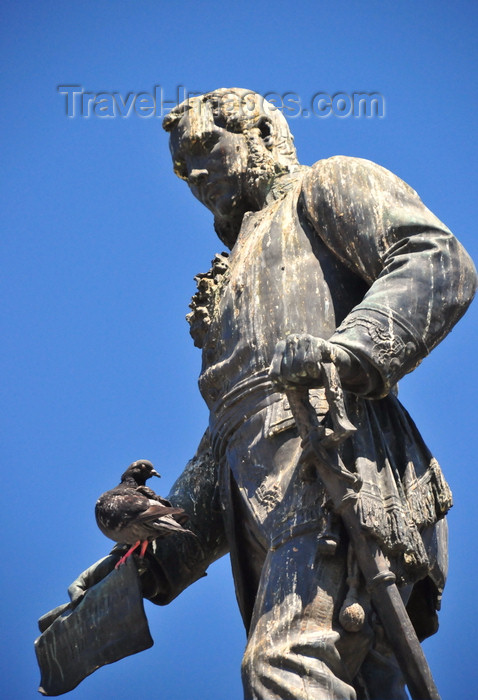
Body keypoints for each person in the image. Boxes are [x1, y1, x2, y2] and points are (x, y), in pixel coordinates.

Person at [66, 89, 476, 699]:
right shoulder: (231, 277)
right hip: (264, 510)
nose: (196, 173)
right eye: (183, 167)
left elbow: (436, 260)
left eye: (208, 146)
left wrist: (347, 350)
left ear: (260, 133)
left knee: (282, 665)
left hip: (339, 473)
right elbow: (224, 444)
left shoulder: (327, 186)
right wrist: (151, 549)